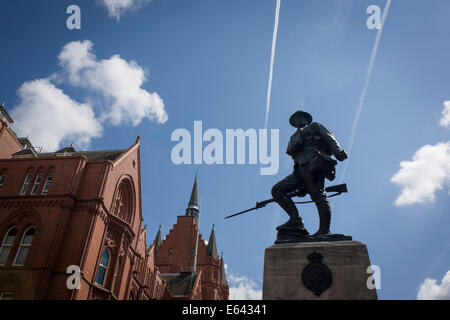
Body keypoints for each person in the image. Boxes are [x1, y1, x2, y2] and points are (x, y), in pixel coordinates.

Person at [271, 110, 348, 239]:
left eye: (299, 118)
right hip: (299, 169)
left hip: (314, 163)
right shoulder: (293, 137)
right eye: (294, 120)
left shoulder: (315, 127)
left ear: (306, 119)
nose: (297, 121)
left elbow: (329, 139)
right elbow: (291, 151)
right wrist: (302, 186)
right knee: (277, 190)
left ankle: (324, 231)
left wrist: (338, 152)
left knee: (318, 195)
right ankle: (296, 221)